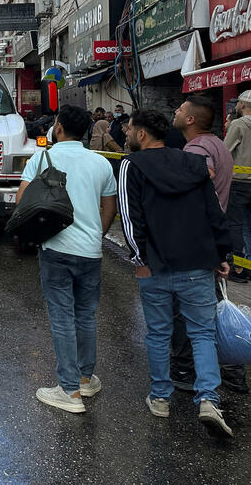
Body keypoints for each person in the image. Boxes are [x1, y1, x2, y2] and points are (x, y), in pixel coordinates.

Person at [119, 109, 233, 437]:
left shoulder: (131, 165)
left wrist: (141, 259)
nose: (126, 133)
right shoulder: (193, 164)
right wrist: (222, 254)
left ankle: (160, 398)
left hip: (154, 266)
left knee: (158, 334)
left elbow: (131, 220)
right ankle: (209, 399)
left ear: (142, 134)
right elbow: (213, 211)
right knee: (202, 333)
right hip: (198, 264)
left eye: (129, 129)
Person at [16, 105, 118, 414]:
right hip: (90, 251)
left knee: (62, 317)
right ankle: (86, 378)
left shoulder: (43, 158)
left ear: (58, 128)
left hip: (56, 248)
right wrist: (94, 236)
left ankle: (69, 391)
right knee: (85, 316)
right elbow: (109, 208)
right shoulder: (100, 163)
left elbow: (22, 201)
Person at [170, 96, 246, 393]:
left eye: (180, 110)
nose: (176, 112)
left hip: (196, 241)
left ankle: (187, 370)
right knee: (210, 306)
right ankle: (231, 368)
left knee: (187, 308)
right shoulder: (217, 144)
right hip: (211, 239)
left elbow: (204, 175)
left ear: (190, 120)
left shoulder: (197, 148)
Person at [224, 90, 251, 283]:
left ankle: (239, 268)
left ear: (242, 105)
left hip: (240, 182)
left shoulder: (238, 124)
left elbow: (226, 151)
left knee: (236, 225)